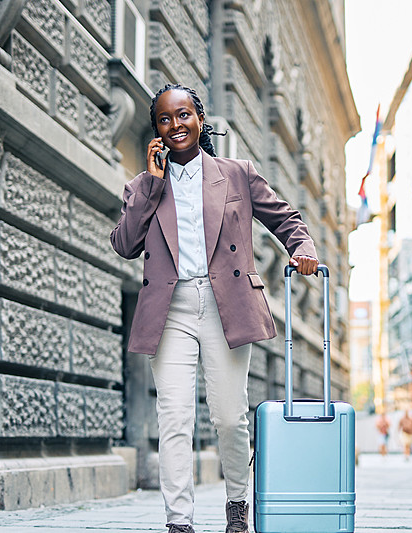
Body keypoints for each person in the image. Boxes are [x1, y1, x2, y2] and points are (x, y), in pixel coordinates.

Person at [110, 84, 319, 533]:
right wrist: (151, 183)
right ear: (156, 132)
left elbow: (285, 217)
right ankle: (179, 521)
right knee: (174, 417)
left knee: (229, 416)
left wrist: (303, 247)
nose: (175, 126)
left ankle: (237, 507)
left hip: (226, 303)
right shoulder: (142, 186)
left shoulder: (237, 173)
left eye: (183, 115)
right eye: (165, 119)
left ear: (200, 119)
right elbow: (125, 244)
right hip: (171, 309)